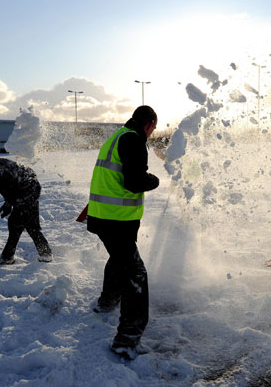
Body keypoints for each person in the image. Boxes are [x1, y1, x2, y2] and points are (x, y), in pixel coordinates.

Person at [87, 105, 160, 360]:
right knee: (136, 273)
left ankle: (106, 302)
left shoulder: (118, 136)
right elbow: (134, 182)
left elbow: (110, 177)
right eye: (153, 128)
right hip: (115, 220)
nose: (152, 133)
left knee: (119, 260)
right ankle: (126, 340)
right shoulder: (133, 140)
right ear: (149, 124)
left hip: (105, 217)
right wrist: (154, 180)